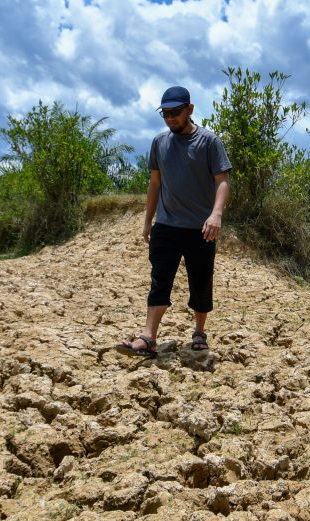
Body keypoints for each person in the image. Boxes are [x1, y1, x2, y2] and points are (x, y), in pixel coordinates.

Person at [115, 85, 232, 358]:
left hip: (200, 228)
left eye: (175, 113)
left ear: (190, 109)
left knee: (201, 282)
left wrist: (216, 214)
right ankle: (148, 337)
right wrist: (147, 222)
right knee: (160, 280)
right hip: (166, 226)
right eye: (165, 113)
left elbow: (223, 181)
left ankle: (199, 333)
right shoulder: (159, 143)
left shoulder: (209, 142)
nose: (170, 118)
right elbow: (154, 184)